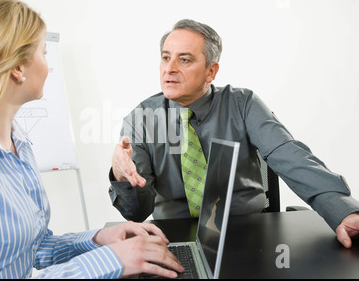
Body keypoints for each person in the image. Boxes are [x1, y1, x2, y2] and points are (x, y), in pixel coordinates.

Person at [0, 0, 184, 279]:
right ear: (18, 67)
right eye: (43, 53)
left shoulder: (18, 142)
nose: (48, 66)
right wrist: (110, 261)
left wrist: (99, 240)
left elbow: (34, 249)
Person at [109, 19, 359, 248]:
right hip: (174, 236)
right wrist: (121, 177)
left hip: (248, 230)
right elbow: (136, 213)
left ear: (211, 71)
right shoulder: (141, 119)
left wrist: (342, 211)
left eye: (184, 60)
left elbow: (291, 157)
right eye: (165, 58)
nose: (170, 69)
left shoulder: (243, 104)